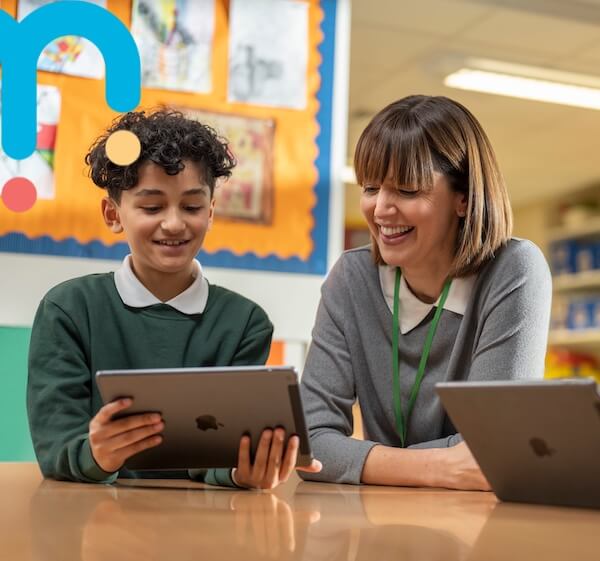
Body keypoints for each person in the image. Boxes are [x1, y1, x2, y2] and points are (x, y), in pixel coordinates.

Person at [27, 109, 321, 488]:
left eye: (192, 206)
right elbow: (57, 450)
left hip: (205, 527)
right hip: (93, 525)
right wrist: (94, 455)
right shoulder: (68, 309)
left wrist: (239, 470)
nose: (174, 223)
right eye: (151, 207)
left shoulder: (246, 322)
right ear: (113, 213)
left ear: (211, 213)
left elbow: (221, 450)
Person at [300, 95, 551, 489]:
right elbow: (310, 444)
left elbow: (498, 451)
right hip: (381, 518)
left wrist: (358, 459)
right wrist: (441, 467)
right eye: (370, 187)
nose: (381, 209)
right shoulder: (352, 277)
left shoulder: (514, 270)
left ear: (464, 198)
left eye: (406, 190)